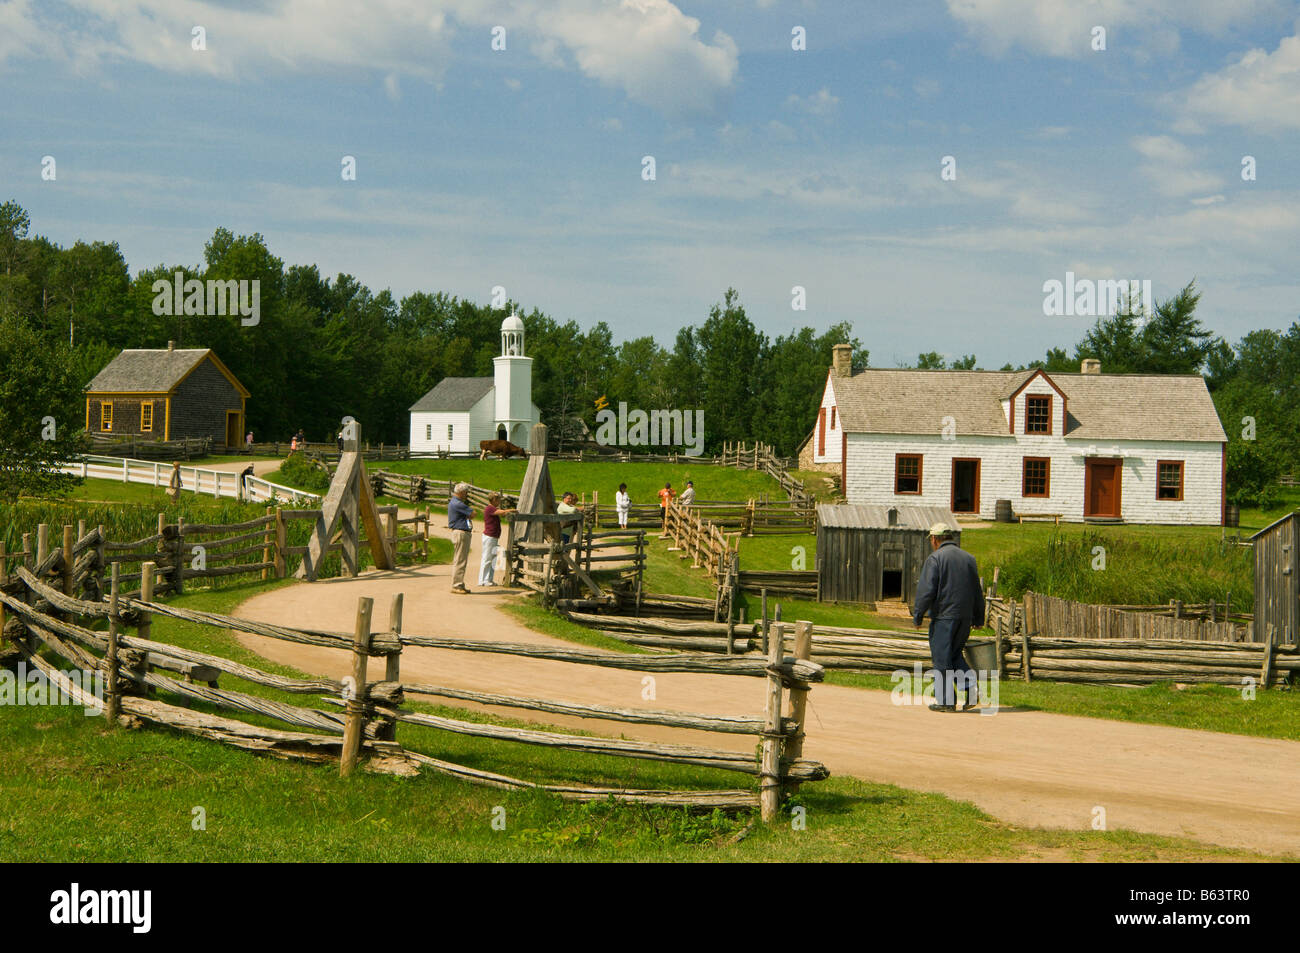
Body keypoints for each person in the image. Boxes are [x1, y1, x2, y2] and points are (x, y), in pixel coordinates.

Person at [912, 522, 986, 712]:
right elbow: (977, 591)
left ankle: (945, 702)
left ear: (935, 539)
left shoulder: (935, 559)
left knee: (942, 658)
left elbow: (927, 590)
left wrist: (918, 614)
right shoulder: (969, 559)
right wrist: (978, 618)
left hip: (944, 616)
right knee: (954, 655)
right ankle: (971, 690)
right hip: (965, 617)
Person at [479, 492, 515, 586]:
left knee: (492, 558)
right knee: (487, 558)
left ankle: (489, 579)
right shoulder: (490, 508)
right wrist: (513, 510)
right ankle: (483, 580)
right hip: (490, 536)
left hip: (493, 536)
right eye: (498, 499)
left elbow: (502, 514)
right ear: (494, 500)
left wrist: (507, 511)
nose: (499, 501)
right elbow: (502, 512)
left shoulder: (493, 509)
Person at [448, 482, 474, 593]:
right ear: (462, 492)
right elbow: (473, 513)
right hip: (461, 532)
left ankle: (459, 583)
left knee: (460, 559)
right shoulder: (458, 503)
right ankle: (457, 585)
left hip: (459, 532)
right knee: (460, 560)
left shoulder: (454, 502)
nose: (466, 494)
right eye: (466, 492)